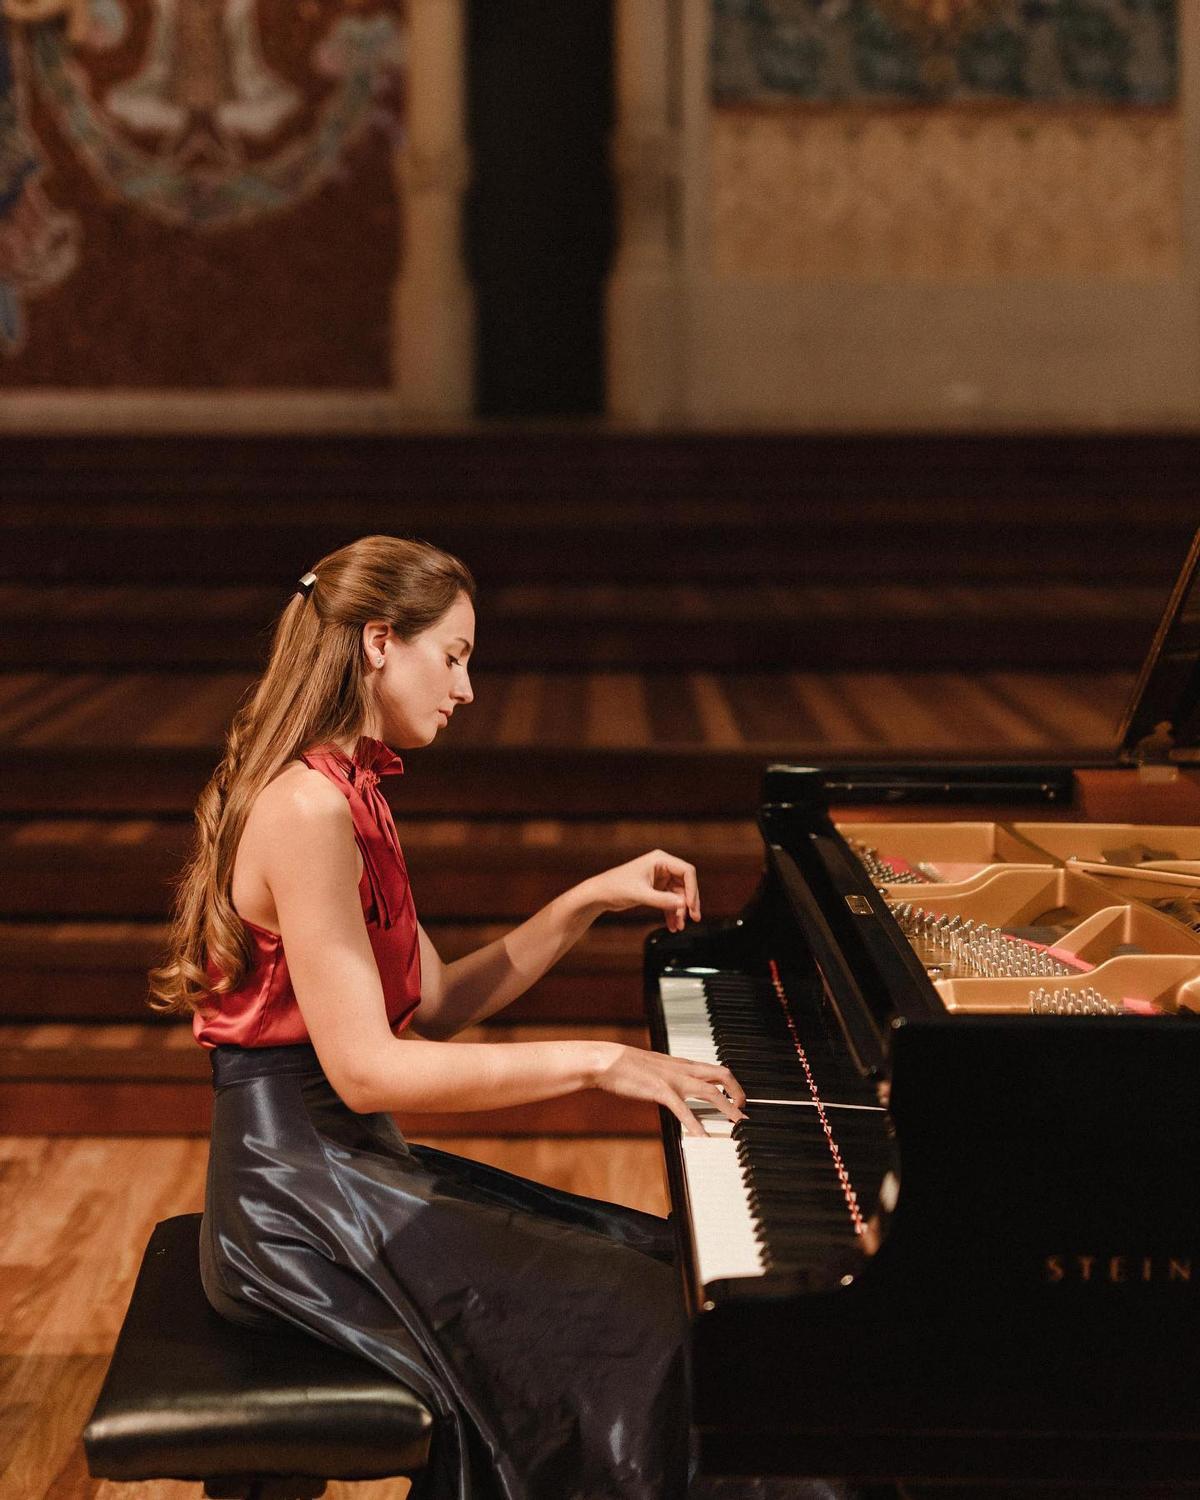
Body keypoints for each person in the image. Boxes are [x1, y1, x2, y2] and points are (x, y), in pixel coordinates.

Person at [148, 533, 751, 1500]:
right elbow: (368, 1072)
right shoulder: (307, 809)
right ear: (381, 641)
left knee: (665, 1265)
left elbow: (434, 1004)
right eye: (456, 655)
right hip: (295, 1200)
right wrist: (602, 1063)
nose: (467, 689)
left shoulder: (357, 793)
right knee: (646, 1320)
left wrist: (586, 898)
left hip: (343, 1167)